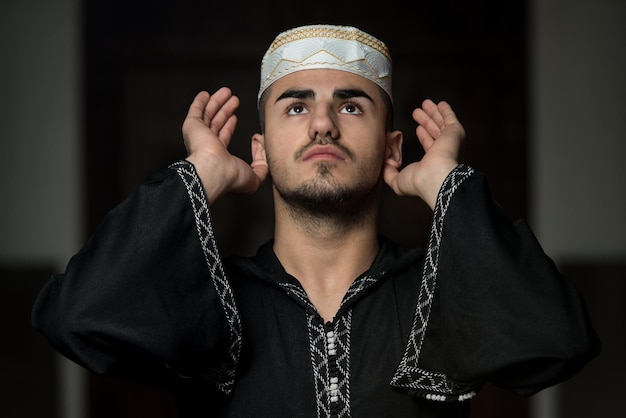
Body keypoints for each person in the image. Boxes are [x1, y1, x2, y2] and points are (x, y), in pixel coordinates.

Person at [32, 24, 599, 417]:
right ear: (260, 148)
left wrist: (449, 186)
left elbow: (562, 341)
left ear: (392, 150)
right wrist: (199, 174)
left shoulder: (440, 290)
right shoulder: (208, 295)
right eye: (296, 106)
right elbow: (74, 317)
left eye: (351, 105)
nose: (323, 124)